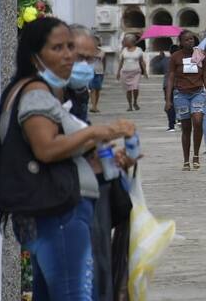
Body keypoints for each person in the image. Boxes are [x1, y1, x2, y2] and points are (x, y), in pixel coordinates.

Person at [0, 17, 134, 299]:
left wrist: (101, 154)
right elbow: (47, 148)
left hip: (58, 210)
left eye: (71, 47)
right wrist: (99, 131)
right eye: (58, 48)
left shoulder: (43, 92)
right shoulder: (36, 93)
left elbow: (67, 148)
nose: (68, 55)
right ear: (35, 55)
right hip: (59, 212)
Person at [68, 24, 138, 301]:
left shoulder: (76, 92)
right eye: (80, 58)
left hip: (90, 192)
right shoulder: (42, 97)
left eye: (90, 59)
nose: (85, 66)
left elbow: (83, 140)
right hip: (69, 201)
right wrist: (102, 135)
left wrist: (108, 152)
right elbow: (58, 143)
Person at [165, 30, 206, 170]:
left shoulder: (200, 55)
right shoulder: (175, 57)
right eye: (186, 40)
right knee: (186, 127)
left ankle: (196, 155)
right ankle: (186, 159)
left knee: (198, 121)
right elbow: (171, 78)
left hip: (198, 93)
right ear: (180, 42)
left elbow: (205, 77)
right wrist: (168, 100)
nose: (190, 42)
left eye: (192, 39)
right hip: (181, 94)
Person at [116, 34, 147, 111]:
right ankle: (130, 105)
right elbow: (121, 62)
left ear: (132, 42)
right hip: (125, 72)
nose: (125, 42)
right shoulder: (124, 50)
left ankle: (135, 102)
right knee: (128, 90)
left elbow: (142, 61)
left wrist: (145, 71)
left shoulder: (138, 50)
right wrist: (118, 72)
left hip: (136, 72)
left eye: (126, 40)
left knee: (135, 88)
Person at [162, 44, 179, 132]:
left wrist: (162, 57)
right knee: (179, 103)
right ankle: (179, 120)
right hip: (178, 84)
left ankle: (171, 125)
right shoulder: (180, 60)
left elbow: (160, 67)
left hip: (167, 85)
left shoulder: (166, 60)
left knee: (169, 103)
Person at [89, 37, 105, 113]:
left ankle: (95, 105)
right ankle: (93, 106)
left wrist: (104, 72)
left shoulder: (102, 52)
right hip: (90, 72)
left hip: (99, 72)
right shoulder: (88, 51)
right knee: (92, 89)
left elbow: (103, 60)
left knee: (98, 90)